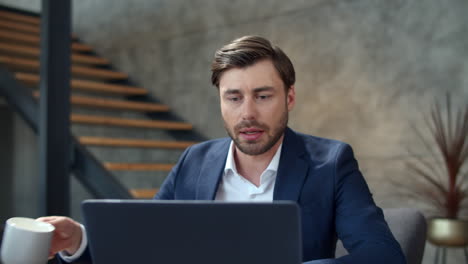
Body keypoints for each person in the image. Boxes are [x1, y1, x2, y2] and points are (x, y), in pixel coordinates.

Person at [38, 35, 406, 264]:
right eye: (234, 97)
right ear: (220, 100)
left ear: (289, 97)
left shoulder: (332, 162)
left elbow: (384, 255)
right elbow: (142, 246)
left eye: (263, 96)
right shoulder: (193, 160)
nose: (248, 113)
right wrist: (79, 240)